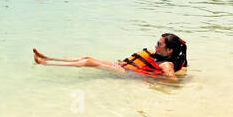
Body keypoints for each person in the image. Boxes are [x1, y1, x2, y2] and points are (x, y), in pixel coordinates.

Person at [32, 34, 188, 82]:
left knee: (88, 62)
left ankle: (45, 63)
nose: (155, 46)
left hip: (128, 73)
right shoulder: (158, 55)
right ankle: (49, 57)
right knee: (87, 57)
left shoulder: (167, 64)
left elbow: (173, 80)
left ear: (169, 50)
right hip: (124, 66)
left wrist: (152, 79)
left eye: (159, 44)